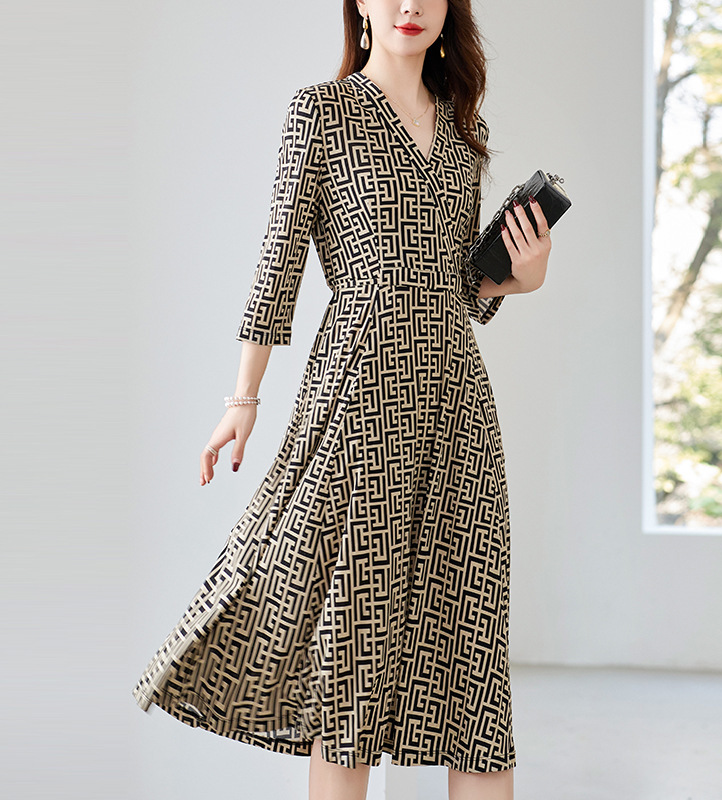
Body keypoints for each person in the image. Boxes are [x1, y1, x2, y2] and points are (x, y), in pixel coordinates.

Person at [131, 1, 552, 798]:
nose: (408, 5)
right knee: (354, 652)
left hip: (459, 407)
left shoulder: (464, 131)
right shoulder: (322, 111)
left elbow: (460, 288)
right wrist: (242, 399)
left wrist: (518, 279)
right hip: (361, 397)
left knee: (470, 661)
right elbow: (279, 261)